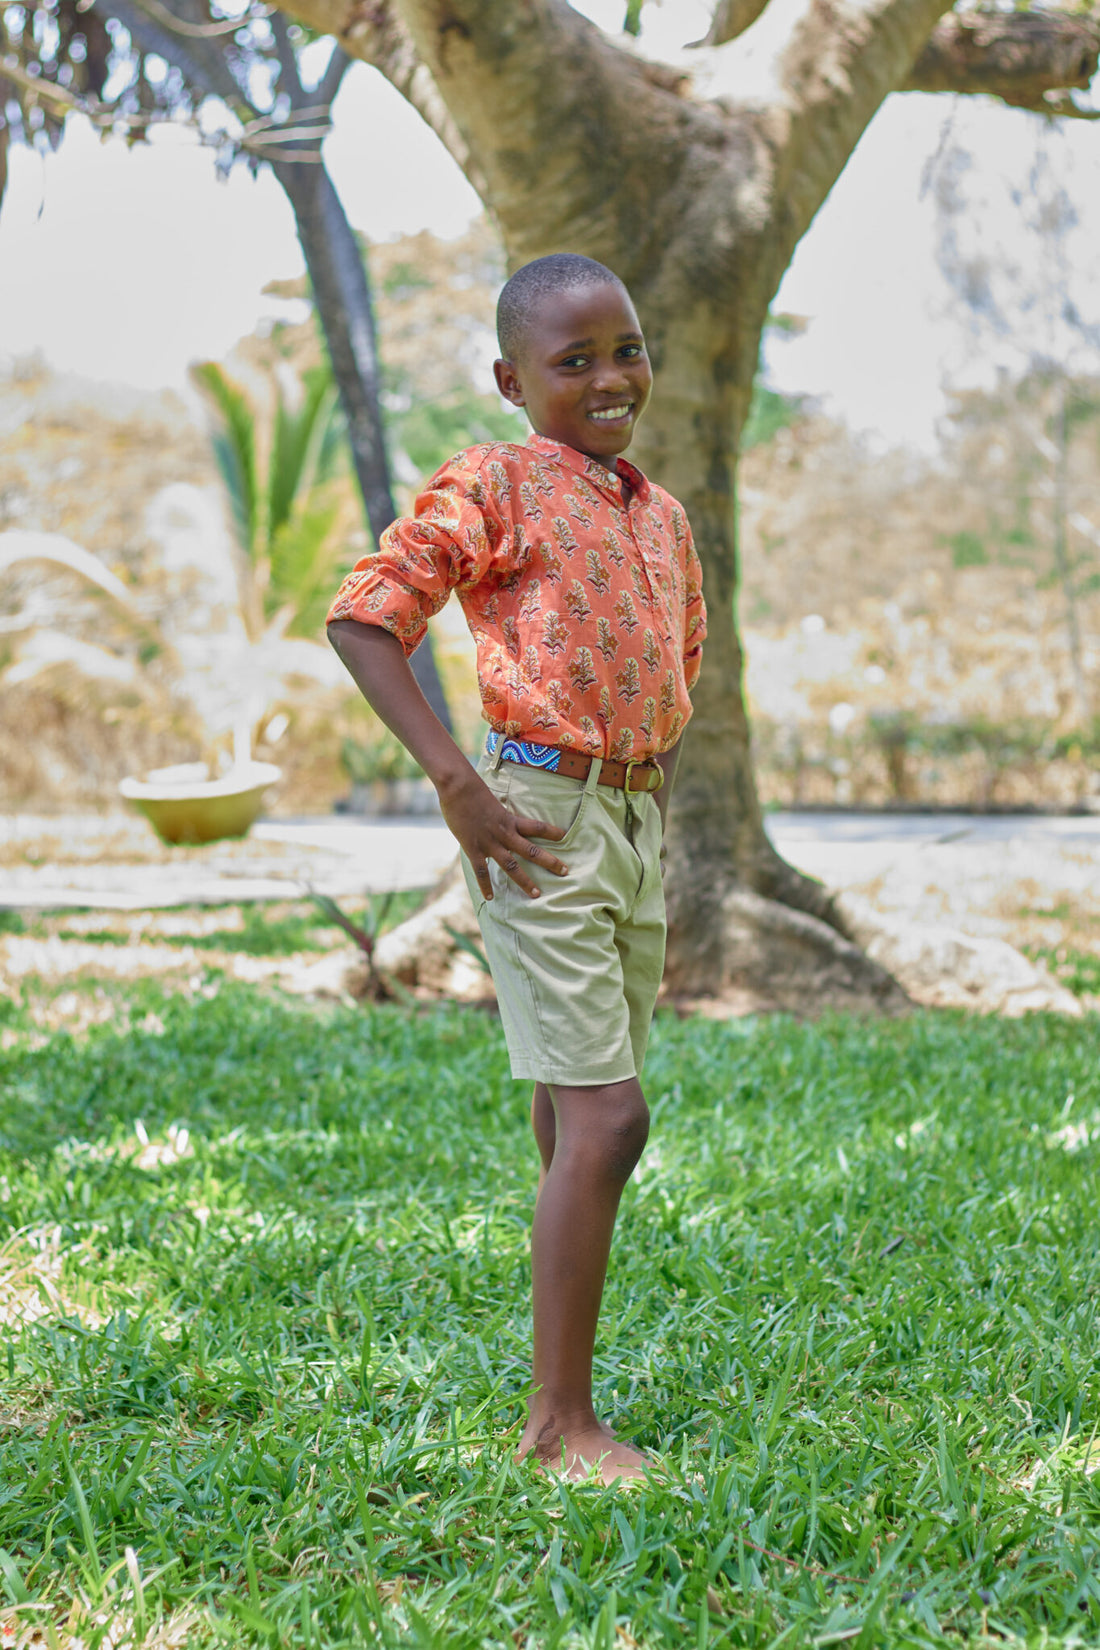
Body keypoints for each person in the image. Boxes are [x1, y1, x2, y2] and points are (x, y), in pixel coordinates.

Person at [326, 253, 706, 1483]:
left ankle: (559, 1377)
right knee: (609, 1118)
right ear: (509, 379)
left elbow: (677, 653)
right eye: (573, 359)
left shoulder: (656, 513)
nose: (609, 377)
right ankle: (558, 1425)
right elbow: (366, 613)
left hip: (630, 819)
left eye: (625, 349)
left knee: (570, 1104)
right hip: (533, 817)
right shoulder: (493, 482)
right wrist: (457, 782)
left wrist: (638, 792)